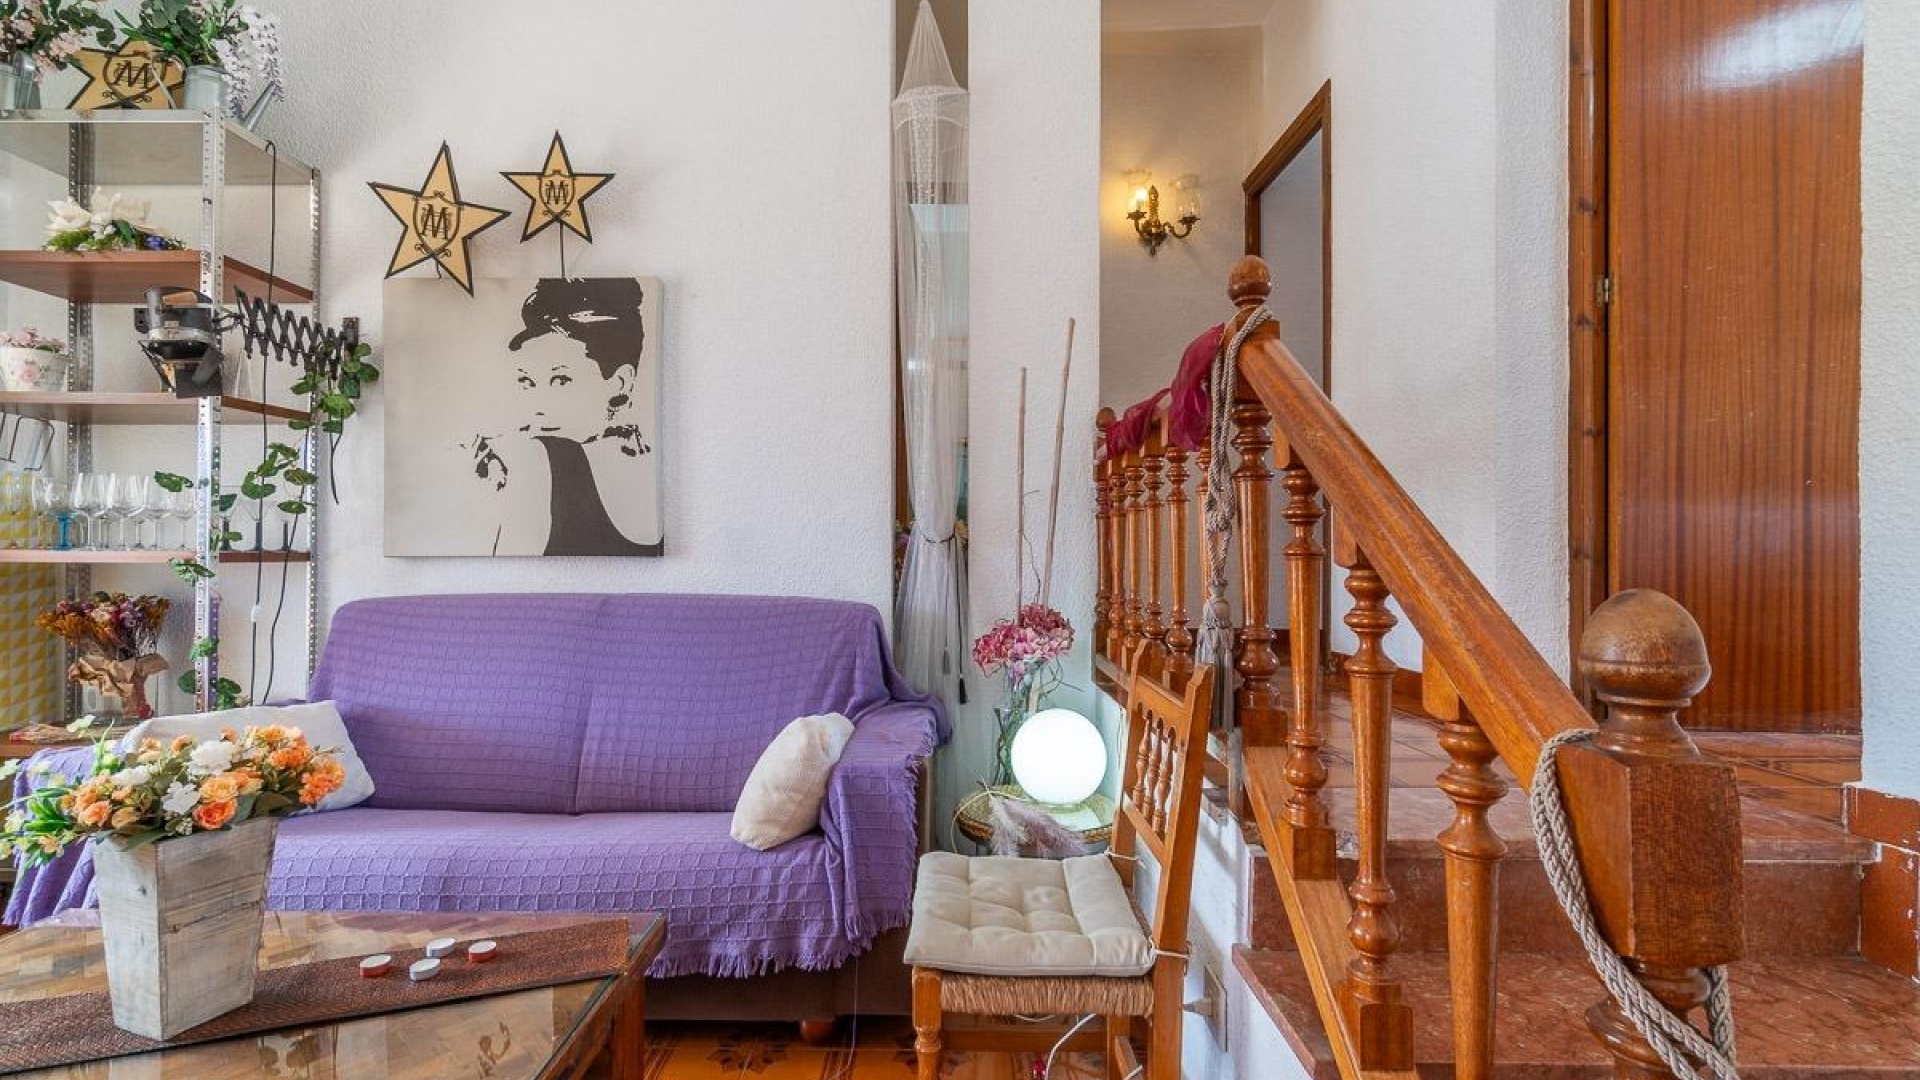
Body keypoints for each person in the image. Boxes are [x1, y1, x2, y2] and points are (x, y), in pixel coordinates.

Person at [465, 278, 660, 555]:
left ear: (620, 383)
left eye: (561, 380)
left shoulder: (534, 457)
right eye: (527, 382)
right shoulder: (652, 464)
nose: (538, 405)